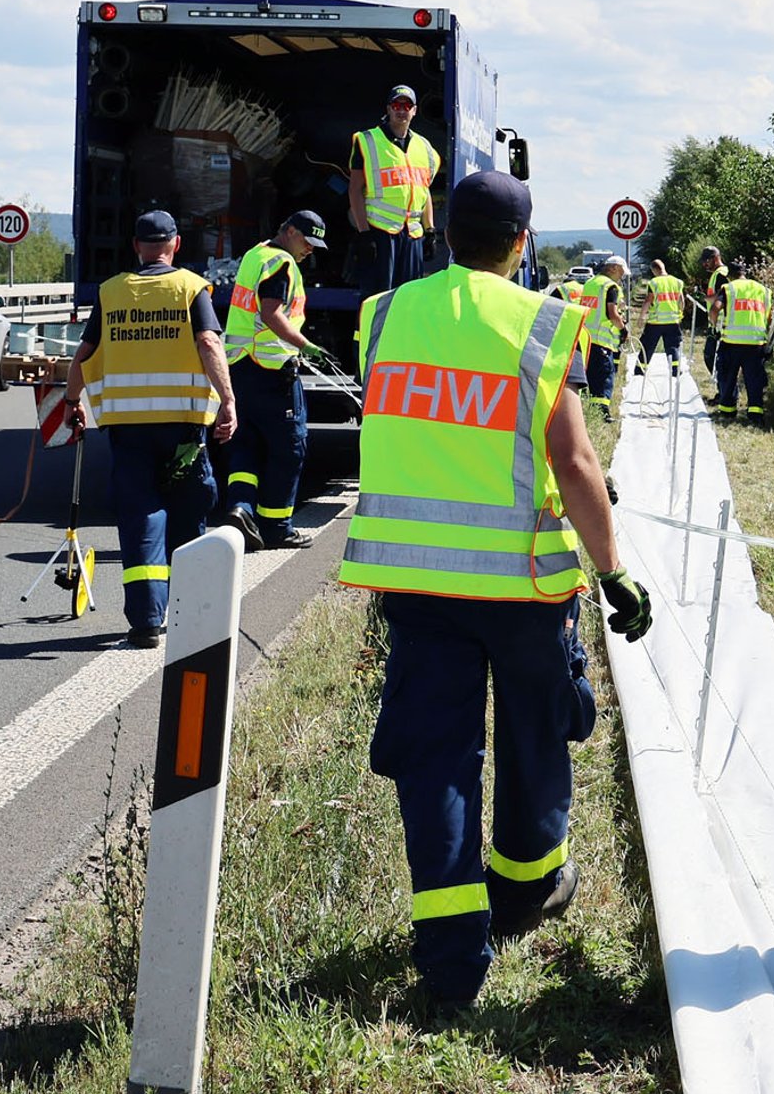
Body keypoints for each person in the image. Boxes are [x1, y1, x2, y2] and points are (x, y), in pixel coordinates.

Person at [339, 171, 652, 1011]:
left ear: (442, 232)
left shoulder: (385, 316)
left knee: (433, 764)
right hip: (523, 586)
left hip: (418, 588)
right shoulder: (545, 324)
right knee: (534, 739)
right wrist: (613, 570)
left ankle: (449, 960)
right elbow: (575, 460)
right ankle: (520, 891)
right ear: (523, 243)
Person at [63, 210, 238, 649]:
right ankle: (192, 616)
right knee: (187, 512)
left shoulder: (111, 292)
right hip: (181, 428)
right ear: (175, 245)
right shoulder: (190, 288)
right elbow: (209, 343)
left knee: (141, 518)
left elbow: (85, 352)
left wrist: (70, 403)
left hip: (129, 430)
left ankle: (145, 623)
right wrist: (228, 402)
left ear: (137, 247)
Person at [217, 210, 329, 552]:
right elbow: (270, 312)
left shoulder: (255, 255)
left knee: (246, 444)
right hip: (273, 371)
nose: (309, 249)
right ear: (290, 230)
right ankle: (277, 527)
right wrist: (304, 345)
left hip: (240, 368)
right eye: (306, 241)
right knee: (288, 449)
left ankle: (241, 508)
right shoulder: (280, 263)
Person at [348, 84, 440, 296]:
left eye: (406, 105)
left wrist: (430, 230)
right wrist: (364, 234)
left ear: (414, 110)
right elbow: (354, 190)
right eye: (396, 105)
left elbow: (424, 190)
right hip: (380, 234)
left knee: (409, 299)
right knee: (378, 299)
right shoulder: (367, 141)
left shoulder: (424, 148)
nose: (401, 110)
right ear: (388, 109)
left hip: (412, 237)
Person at [711, 259, 771, 423]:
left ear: (729, 275)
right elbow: (769, 316)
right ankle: (755, 413)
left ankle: (727, 410)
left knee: (727, 376)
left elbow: (715, 308)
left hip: (732, 342)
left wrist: (714, 327)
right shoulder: (763, 290)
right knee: (754, 379)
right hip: (756, 343)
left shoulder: (729, 288)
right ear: (745, 273)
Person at [571, 256, 627, 420]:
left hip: (585, 338)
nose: (622, 276)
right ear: (614, 268)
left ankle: (588, 409)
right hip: (602, 340)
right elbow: (613, 315)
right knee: (604, 376)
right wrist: (623, 330)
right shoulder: (611, 287)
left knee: (589, 376)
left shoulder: (590, 284)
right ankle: (602, 412)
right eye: (622, 272)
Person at [636, 259, 685, 375]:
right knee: (673, 346)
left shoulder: (653, 283)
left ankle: (640, 370)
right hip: (673, 321)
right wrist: (680, 314)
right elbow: (681, 300)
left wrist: (641, 316)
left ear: (654, 270)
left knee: (647, 346)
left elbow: (648, 300)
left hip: (655, 322)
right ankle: (675, 370)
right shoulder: (677, 282)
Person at [697, 245, 728, 374]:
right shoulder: (716, 274)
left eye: (707, 261)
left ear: (715, 258)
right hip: (715, 323)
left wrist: (706, 298)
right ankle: (722, 389)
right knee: (711, 358)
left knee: (713, 358)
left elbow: (723, 295)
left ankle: (724, 389)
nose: (705, 264)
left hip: (720, 324)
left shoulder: (722, 273)